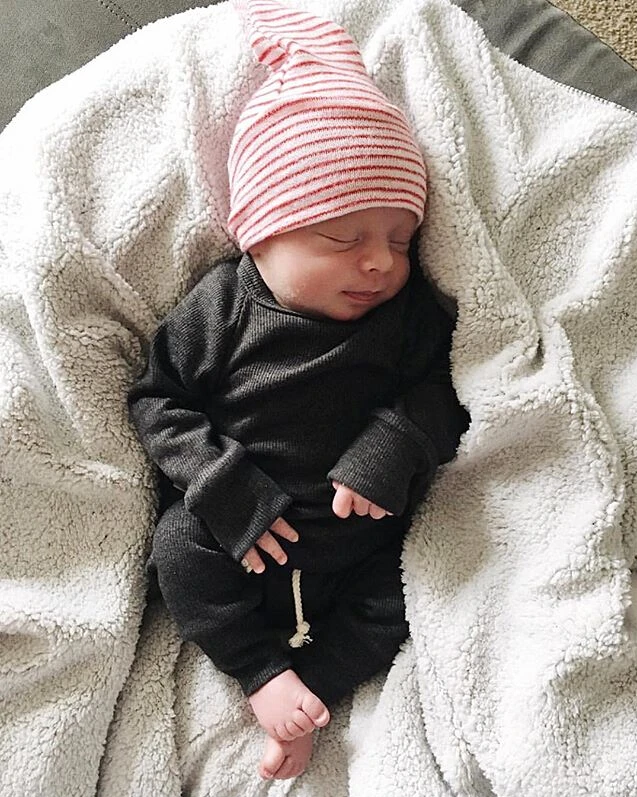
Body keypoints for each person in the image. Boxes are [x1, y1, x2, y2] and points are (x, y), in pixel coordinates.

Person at [128, 0, 469, 781]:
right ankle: (260, 671)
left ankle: (312, 688)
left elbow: (447, 390)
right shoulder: (220, 310)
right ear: (263, 231)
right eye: (343, 238)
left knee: (406, 588)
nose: (378, 262)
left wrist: (394, 442)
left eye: (399, 239)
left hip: (361, 533)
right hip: (235, 526)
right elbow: (156, 399)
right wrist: (221, 483)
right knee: (177, 551)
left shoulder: (404, 317)